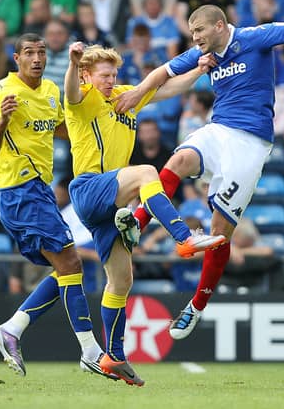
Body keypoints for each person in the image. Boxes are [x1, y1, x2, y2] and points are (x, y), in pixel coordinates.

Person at [113, 4, 284, 340]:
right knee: (176, 162)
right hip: (218, 128)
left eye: (199, 31)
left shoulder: (257, 37)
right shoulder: (203, 53)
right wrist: (138, 92)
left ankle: (197, 305)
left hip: (250, 144)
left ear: (219, 25)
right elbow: (162, 73)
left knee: (219, 232)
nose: (195, 38)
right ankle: (136, 226)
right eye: (191, 32)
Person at [64, 42, 224, 385]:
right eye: (104, 75)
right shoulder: (82, 98)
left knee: (121, 279)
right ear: (87, 75)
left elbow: (167, 89)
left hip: (111, 201)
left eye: (114, 74)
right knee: (148, 172)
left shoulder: (124, 95)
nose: (111, 80)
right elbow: (71, 90)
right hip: (90, 188)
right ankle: (183, 237)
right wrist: (73, 62)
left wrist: (199, 70)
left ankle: (113, 356)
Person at [0, 33, 110, 380]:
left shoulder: (52, 92)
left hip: (41, 191)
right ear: (16, 59)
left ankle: (11, 329)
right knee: (70, 263)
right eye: (29, 53)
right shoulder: (3, 92)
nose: (37, 58)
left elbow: (62, 130)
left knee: (66, 269)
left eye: (41, 52)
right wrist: (3, 121)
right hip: (19, 190)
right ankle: (90, 351)